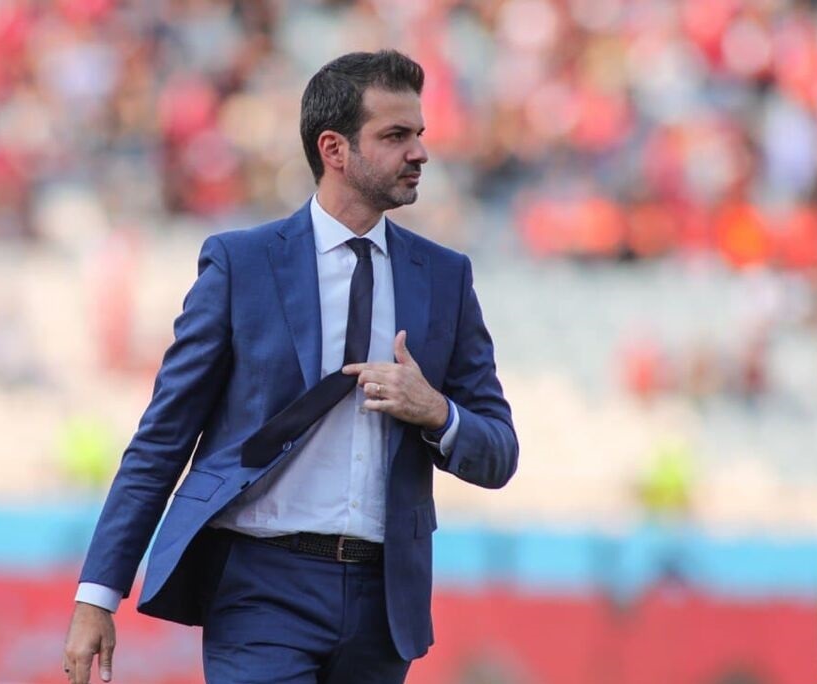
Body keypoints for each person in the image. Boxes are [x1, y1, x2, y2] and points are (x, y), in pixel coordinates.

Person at [63, 49, 518, 684]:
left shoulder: (445, 277)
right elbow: (162, 439)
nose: (419, 152)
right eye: (395, 135)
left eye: (419, 134)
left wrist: (437, 412)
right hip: (260, 586)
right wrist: (97, 594)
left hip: (384, 600)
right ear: (334, 149)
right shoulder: (241, 265)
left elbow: (500, 452)